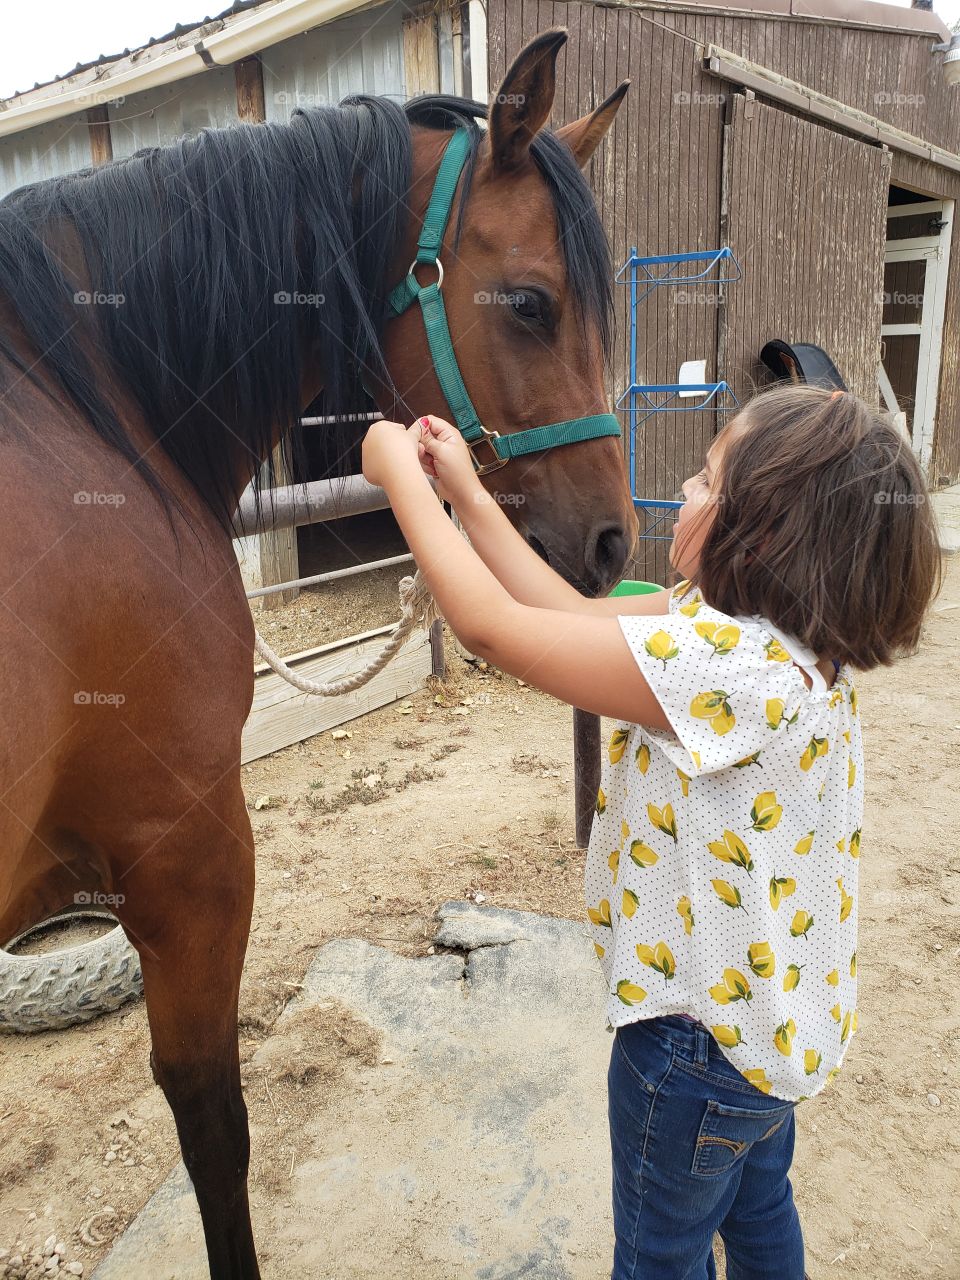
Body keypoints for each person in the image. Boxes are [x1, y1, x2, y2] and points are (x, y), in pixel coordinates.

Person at [361, 385, 941, 1279]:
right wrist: (470, 497)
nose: (684, 486)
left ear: (767, 533)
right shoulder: (765, 643)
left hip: (690, 1051)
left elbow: (494, 628)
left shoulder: (723, 665)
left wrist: (400, 477)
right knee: (758, 1210)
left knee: (659, 1256)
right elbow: (568, 613)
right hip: (769, 1041)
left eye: (707, 480)